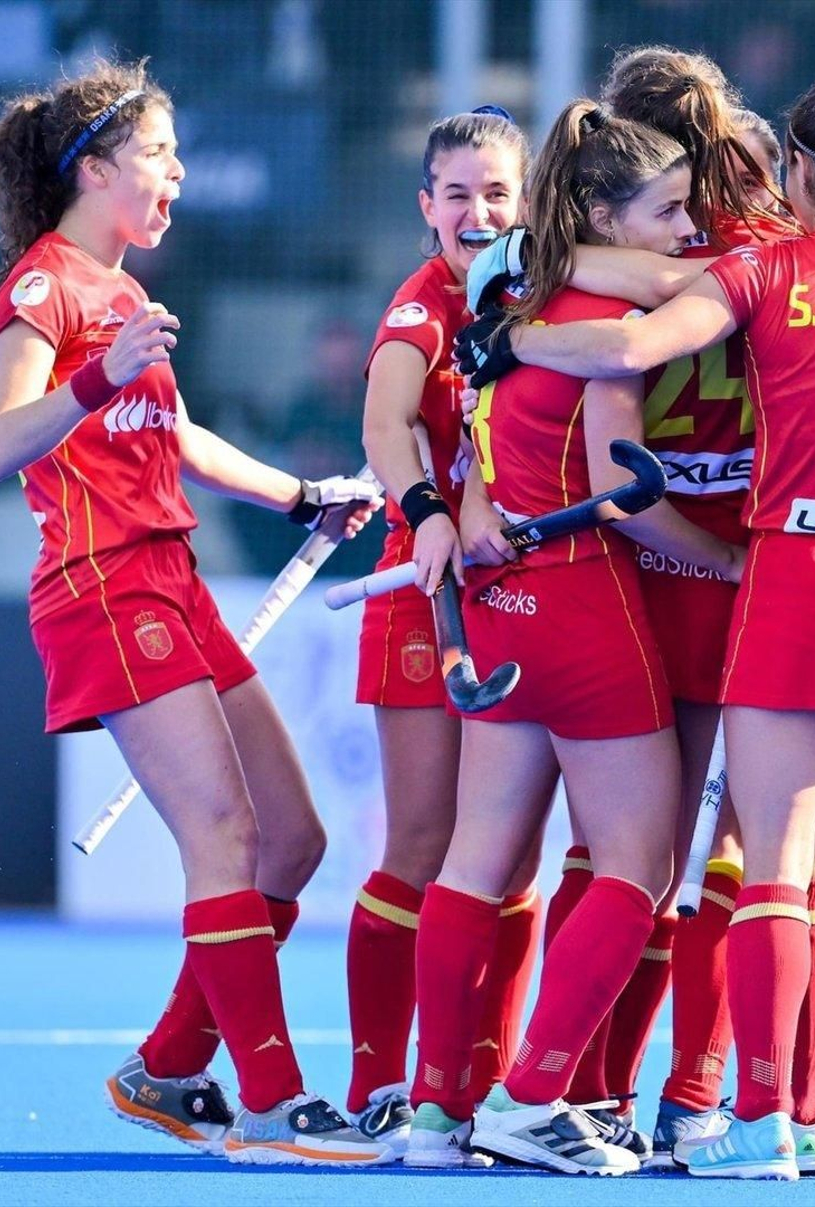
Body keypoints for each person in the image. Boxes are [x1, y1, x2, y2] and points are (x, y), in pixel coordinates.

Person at [456, 65, 815, 1182]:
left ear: (802, 168)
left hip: (804, 579)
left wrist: (512, 340)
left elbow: (627, 348)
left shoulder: (768, 269)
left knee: (772, 867)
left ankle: (769, 1119)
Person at [0, 60, 388, 1165]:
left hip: (173, 580)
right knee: (225, 836)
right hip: (102, 586)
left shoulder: (125, 297)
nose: (178, 176)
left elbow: (179, 439)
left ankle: (165, 1066)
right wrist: (96, 378)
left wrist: (302, 494)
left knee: (292, 840)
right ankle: (273, 1100)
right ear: (96, 169)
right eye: (160, 155)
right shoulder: (45, 287)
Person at [411, 98, 744, 1177]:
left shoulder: (513, 287)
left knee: (475, 861)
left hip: (500, 600)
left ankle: (434, 1111)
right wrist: (733, 560)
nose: (688, 229)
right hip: (581, 604)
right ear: (604, 216)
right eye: (668, 211)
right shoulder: (601, 317)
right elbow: (622, 495)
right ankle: (533, 1097)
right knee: (640, 869)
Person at [346, 105, 542, 1161]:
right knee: (422, 844)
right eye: (458, 193)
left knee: (512, 856)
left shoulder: (544, 297)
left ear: (527, 201)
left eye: (497, 192)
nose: (479, 212)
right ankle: (379, 1082)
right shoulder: (422, 305)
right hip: (428, 594)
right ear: (427, 204)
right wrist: (426, 511)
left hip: (526, 595)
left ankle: (482, 1083)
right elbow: (385, 425)